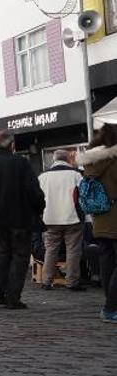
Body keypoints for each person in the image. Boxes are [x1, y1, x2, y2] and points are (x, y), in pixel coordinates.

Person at [0, 130, 45, 310]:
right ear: (12, 144)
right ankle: (13, 296)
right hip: (20, 219)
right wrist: (39, 209)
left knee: (2, 253)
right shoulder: (21, 163)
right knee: (20, 257)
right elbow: (33, 191)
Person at [77, 122, 117, 323]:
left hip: (100, 218)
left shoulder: (90, 162)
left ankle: (109, 304)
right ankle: (111, 307)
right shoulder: (113, 160)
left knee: (107, 259)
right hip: (115, 215)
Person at [39, 149, 85, 291]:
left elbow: (37, 198)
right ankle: (72, 282)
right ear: (67, 160)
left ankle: (46, 281)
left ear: (53, 160)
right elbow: (83, 195)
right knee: (73, 251)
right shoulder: (76, 175)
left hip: (50, 219)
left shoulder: (42, 177)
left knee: (50, 249)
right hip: (72, 218)